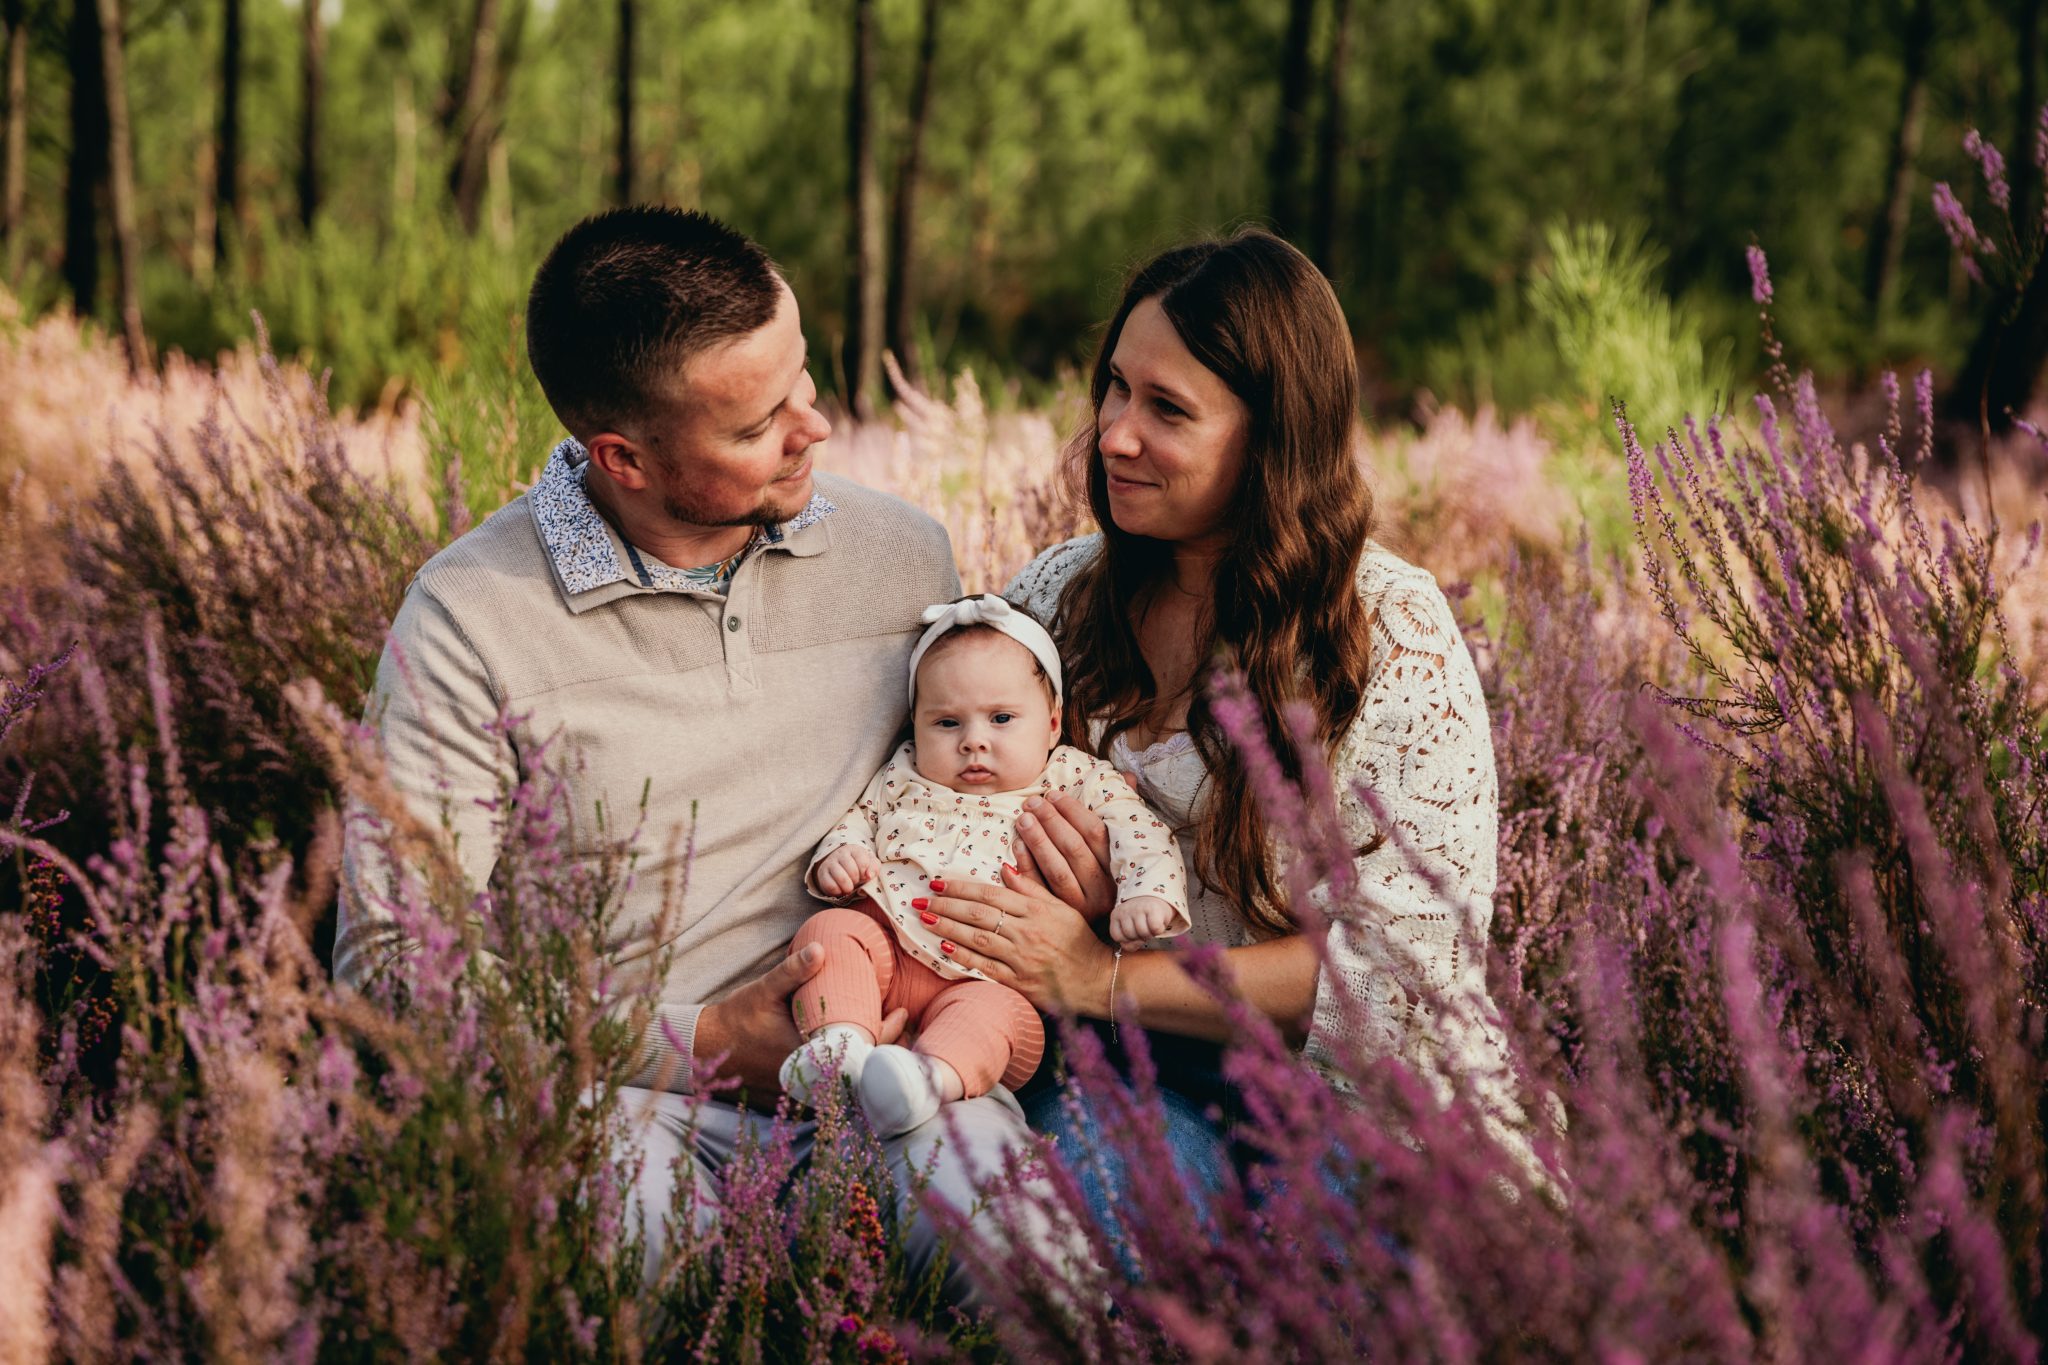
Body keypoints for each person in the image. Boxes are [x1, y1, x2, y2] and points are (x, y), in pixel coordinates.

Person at [333, 206, 1056, 1298]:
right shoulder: (469, 620)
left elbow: (992, 759)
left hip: (896, 1070)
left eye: (803, 379)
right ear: (622, 457)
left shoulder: (900, 554)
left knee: (1043, 1276)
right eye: (761, 423)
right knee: (625, 1272)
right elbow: (396, 971)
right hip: (622, 1103)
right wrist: (702, 1039)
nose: (814, 427)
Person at [914, 227, 1529, 1231]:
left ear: (1271, 436)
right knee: (988, 1217)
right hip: (1098, 1070)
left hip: (1342, 1116)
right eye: (1115, 388)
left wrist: (1100, 970)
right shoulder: (1059, 597)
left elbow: (1391, 977)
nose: (1114, 432)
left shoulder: (1387, 634)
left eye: (1167, 409)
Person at [780, 593, 1189, 1138]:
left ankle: (923, 1082)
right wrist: (842, 855)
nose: (974, 741)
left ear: (1050, 725)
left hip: (991, 977)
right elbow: (859, 818)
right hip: (890, 950)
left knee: (1002, 1021)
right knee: (830, 932)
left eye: (1001, 718)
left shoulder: (1071, 777)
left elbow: (1141, 834)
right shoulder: (903, 772)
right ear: (915, 728)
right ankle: (840, 1046)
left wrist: (1146, 895)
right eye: (946, 723)